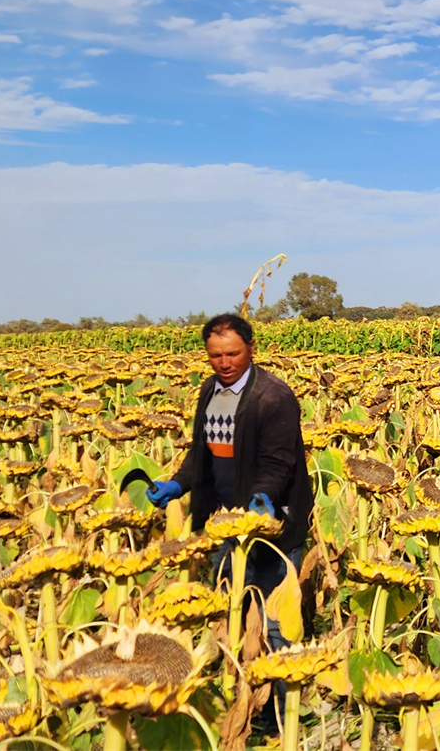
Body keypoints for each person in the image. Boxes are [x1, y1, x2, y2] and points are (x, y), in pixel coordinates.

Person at [145, 313, 312, 736]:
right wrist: (178, 484)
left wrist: (263, 500)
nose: (224, 363)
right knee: (229, 617)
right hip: (221, 527)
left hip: (270, 527)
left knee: (274, 625)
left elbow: (279, 461)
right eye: (216, 355)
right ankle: (233, 702)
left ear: (251, 348)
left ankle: (278, 721)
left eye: (233, 354)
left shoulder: (273, 397)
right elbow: (200, 455)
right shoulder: (209, 392)